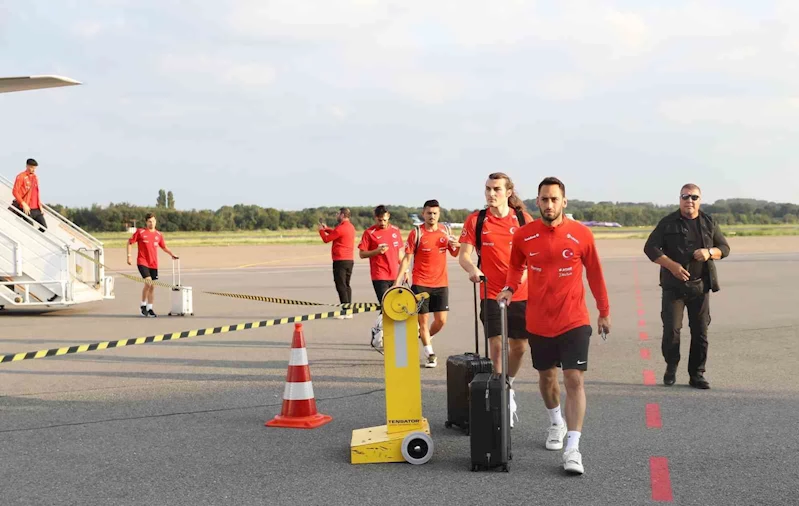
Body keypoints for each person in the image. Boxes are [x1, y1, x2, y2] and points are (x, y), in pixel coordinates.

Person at [498, 176, 611, 476]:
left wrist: (604, 310)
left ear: (564, 202)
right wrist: (509, 288)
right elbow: (515, 266)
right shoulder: (524, 236)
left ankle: (572, 449)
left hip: (573, 320)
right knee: (548, 379)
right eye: (544, 199)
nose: (549, 204)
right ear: (538, 201)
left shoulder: (581, 234)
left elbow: (596, 274)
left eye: (554, 199)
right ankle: (555, 422)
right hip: (538, 321)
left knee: (573, 379)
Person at [458, 172, 534, 427]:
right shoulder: (477, 220)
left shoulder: (523, 219)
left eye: (496, 189)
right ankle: (502, 396)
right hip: (490, 291)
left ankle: (508, 383)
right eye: (488, 189)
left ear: (508, 192)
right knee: (496, 345)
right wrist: (472, 269)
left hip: (520, 293)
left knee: (519, 347)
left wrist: (521, 278)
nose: (491, 194)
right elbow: (464, 255)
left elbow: (533, 256)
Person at [643, 183, 730, 390]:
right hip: (674, 288)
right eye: (685, 196)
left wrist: (709, 253)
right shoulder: (668, 222)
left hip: (700, 287)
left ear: (700, 200)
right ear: (679, 199)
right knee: (672, 331)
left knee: (700, 332)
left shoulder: (709, 222)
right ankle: (671, 366)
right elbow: (650, 248)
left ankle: (697, 374)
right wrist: (672, 265)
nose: (689, 201)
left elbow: (724, 248)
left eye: (694, 197)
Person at [394, 199, 460, 368]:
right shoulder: (416, 233)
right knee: (422, 321)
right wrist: (397, 281)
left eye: (435, 213)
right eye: (429, 213)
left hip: (441, 283)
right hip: (421, 283)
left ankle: (424, 338)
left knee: (441, 321)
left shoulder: (445, 231)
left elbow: (454, 253)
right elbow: (407, 258)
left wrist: (457, 245)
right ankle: (430, 353)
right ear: (423, 213)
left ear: (439, 214)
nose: (432, 216)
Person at [359, 205, 404, 352]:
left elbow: (399, 253)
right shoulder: (369, 233)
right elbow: (362, 254)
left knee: (395, 307)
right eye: (379, 220)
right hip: (380, 275)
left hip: (395, 275)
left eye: (384, 220)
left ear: (388, 216)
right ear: (375, 218)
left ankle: (380, 331)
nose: (382, 223)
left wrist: (406, 269)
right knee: (386, 305)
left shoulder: (395, 231)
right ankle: (381, 334)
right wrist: (377, 251)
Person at [127, 213, 179, 317]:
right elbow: (129, 242)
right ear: (146, 222)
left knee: (153, 286)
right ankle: (143, 305)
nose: (152, 223)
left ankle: (150, 308)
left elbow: (164, 247)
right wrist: (129, 256)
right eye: (150, 221)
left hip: (153, 263)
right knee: (148, 282)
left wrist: (171, 254)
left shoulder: (158, 235)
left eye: (153, 221)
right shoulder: (140, 232)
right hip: (142, 262)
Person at [318, 207, 356, 319]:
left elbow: (326, 239)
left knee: (341, 286)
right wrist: (327, 229)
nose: (336, 216)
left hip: (340, 260)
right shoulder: (350, 227)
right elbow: (336, 233)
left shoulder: (341, 228)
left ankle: (345, 311)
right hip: (349, 260)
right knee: (346, 285)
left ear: (343, 215)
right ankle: (349, 309)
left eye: (338, 214)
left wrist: (321, 230)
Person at [11, 158, 47, 230]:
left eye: (35, 168)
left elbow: (36, 193)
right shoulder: (21, 176)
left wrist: (40, 206)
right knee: (30, 229)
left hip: (36, 208)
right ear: (27, 166)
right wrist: (23, 204)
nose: (34, 170)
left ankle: (36, 240)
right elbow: (15, 192)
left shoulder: (35, 177)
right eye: (32, 168)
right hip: (27, 208)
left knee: (44, 228)